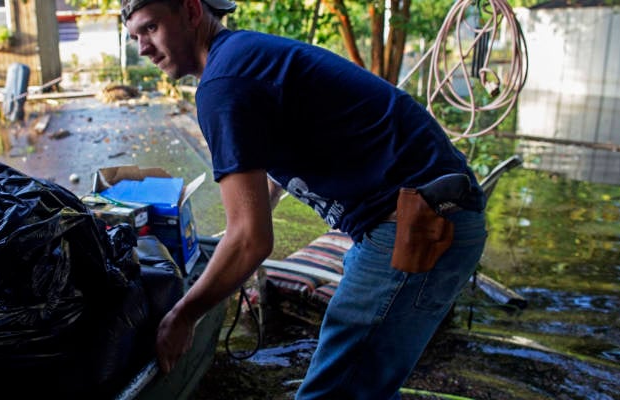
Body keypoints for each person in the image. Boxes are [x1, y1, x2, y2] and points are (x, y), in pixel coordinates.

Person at [122, 0, 488, 398]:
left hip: (420, 222)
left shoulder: (223, 84)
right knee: (365, 381)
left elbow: (252, 241)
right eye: (135, 36)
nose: (143, 47)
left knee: (332, 392)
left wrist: (183, 316)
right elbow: (272, 173)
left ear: (192, 11)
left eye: (151, 27)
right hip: (431, 210)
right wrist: (235, 240)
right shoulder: (242, 56)